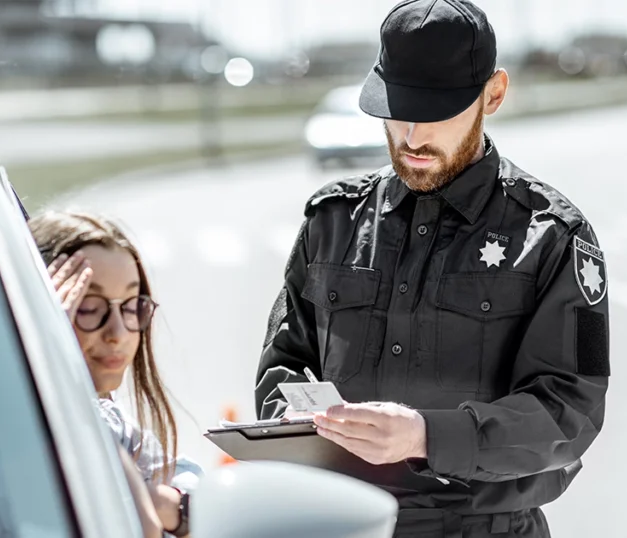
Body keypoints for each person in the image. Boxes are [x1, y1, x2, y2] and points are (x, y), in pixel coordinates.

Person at [254, 1, 609, 536]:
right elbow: (282, 365)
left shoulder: (551, 236)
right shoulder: (332, 222)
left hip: (483, 527)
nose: (413, 137)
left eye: (438, 111)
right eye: (397, 109)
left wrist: (425, 436)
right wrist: (297, 418)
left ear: (493, 94)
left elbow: (569, 412)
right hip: (341, 521)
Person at [29, 210, 199, 538]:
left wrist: (168, 504)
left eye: (132, 305)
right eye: (89, 308)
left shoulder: (106, 415)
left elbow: (195, 484)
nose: (118, 333)